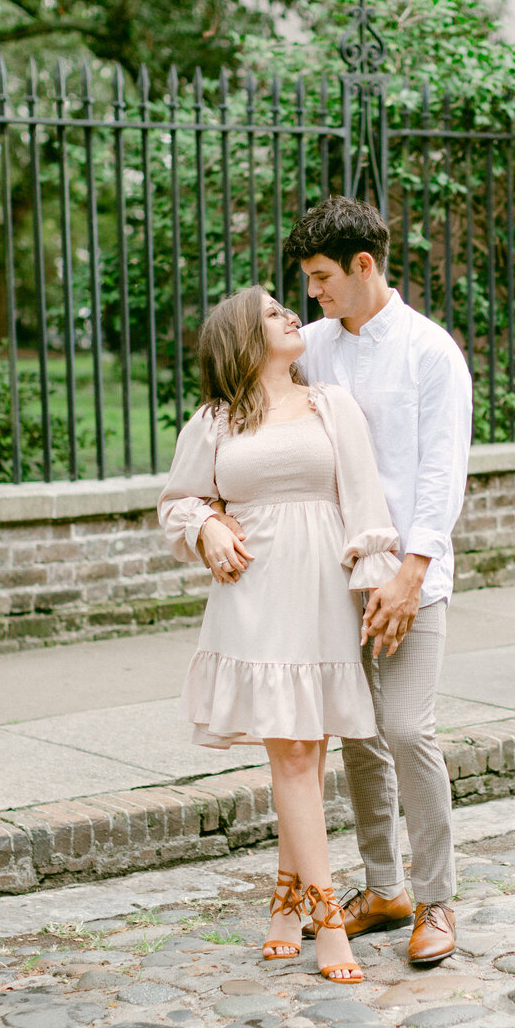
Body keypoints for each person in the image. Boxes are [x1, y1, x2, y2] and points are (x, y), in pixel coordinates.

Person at [157, 285, 401, 985]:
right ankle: (328, 916)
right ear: (243, 336)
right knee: (293, 754)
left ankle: (286, 899)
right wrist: (205, 525)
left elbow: (364, 501)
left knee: (305, 752)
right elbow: (179, 504)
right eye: (272, 313)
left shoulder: (332, 406)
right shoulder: (214, 420)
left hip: (322, 593)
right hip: (253, 597)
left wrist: (376, 579)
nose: (292, 315)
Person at [287, 195, 473, 965]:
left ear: (365, 265)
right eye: (306, 279)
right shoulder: (313, 347)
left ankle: (437, 900)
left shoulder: (432, 353)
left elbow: (440, 471)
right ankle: (384, 886)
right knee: (359, 735)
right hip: (337, 576)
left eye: (324, 277)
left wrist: (411, 572)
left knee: (405, 728)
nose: (313, 293)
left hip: (411, 576)